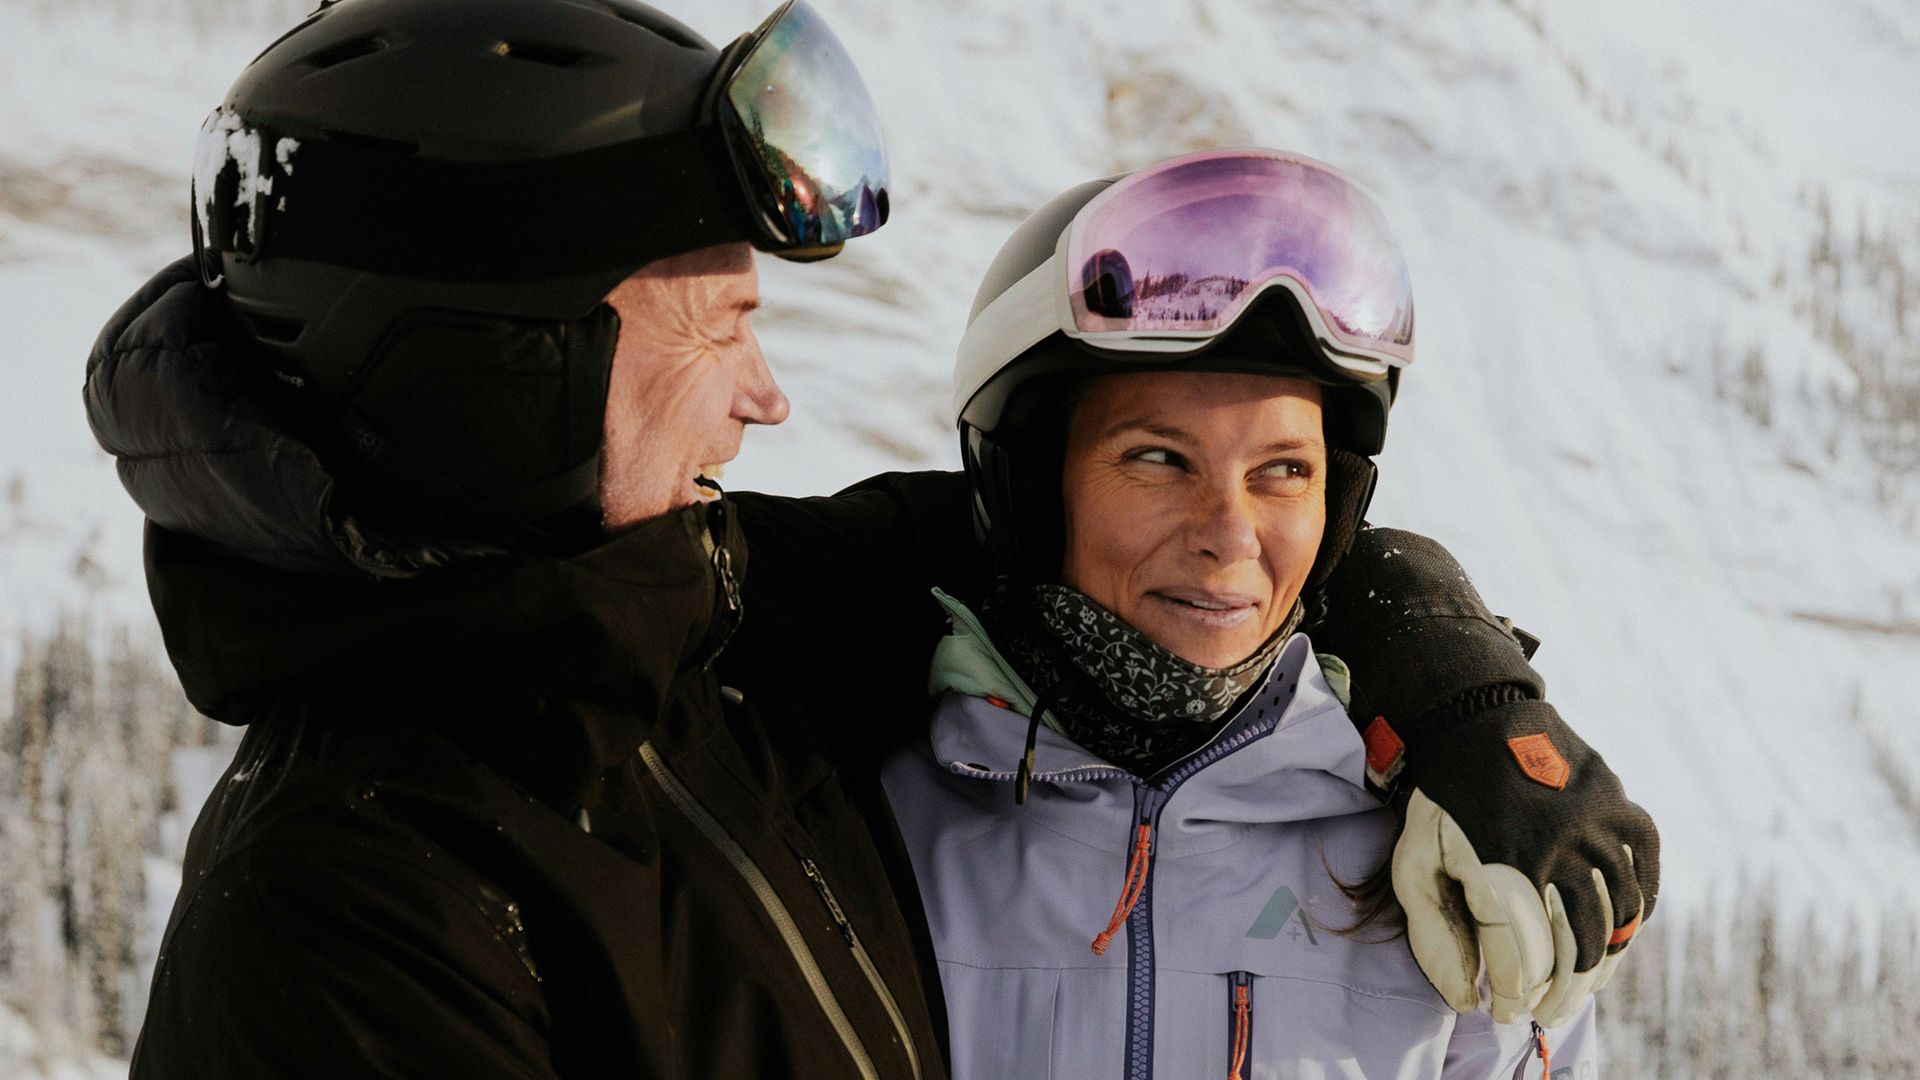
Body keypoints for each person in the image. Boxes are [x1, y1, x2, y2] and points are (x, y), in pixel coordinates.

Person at [80, 0, 1653, 1075]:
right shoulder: (349, 909)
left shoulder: (715, 629)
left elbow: (1116, 559)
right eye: (716, 328)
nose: (767, 398)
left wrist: (1447, 675)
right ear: (509, 379)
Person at [880, 149, 1616, 1077]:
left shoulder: (1451, 881)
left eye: (1285, 470)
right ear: (1027, 486)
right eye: (1157, 458)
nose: (1230, 536)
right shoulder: (869, 828)